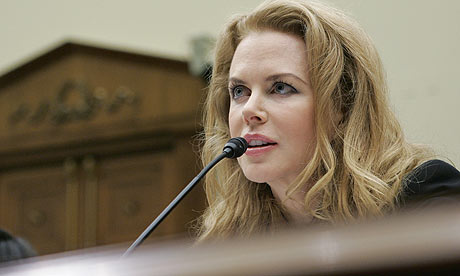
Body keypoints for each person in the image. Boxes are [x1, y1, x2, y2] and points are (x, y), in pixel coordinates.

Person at [197, 0, 460, 241]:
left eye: (280, 88)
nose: (249, 110)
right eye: (239, 91)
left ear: (343, 104)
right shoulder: (229, 236)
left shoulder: (424, 200)